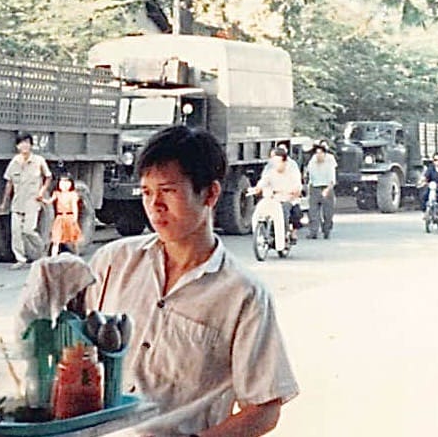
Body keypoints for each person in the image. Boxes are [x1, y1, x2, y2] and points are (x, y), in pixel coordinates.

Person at [86, 126, 298, 437]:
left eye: (168, 191)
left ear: (210, 194)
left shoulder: (243, 295)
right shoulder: (113, 262)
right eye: (147, 192)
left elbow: (264, 408)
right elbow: (70, 347)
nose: (155, 205)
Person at [0, 132, 52, 269]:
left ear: (31, 145)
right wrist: (4, 202)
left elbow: (48, 177)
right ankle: (20, 259)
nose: (25, 146)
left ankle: (42, 252)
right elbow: (9, 183)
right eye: (22, 143)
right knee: (16, 232)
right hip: (17, 203)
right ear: (17, 146)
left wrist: (42, 192)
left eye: (27, 143)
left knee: (29, 230)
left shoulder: (39, 161)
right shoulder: (14, 162)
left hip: (32, 202)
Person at [250, 146, 303, 243]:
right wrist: (257, 188)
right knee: (261, 209)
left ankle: (285, 234)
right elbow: (264, 181)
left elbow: (298, 186)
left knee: (284, 211)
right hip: (273, 198)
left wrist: (294, 191)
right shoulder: (271, 171)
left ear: (284, 161)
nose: (276, 165)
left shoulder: (292, 170)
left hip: (288, 199)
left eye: (278, 162)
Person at [304, 140, 337, 239]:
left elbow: (332, 179)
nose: (319, 155)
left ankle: (327, 230)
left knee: (328, 212)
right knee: (313, 212)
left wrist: (327, 190)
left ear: (324, 154)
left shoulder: (329, 162)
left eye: (321, 153)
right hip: (314, 187)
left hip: (326, 187)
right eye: (317, 153)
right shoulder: (312, 161)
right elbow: (308, 175)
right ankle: (313, 232)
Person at [48, 174, 82, 256]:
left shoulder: (73, 194)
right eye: (62, 182)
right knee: (56, 238)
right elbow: (50, 201)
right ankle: (54, 257)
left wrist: (75, 218)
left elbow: (74, 207)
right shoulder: (56, 193)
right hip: (60, 218)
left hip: (69, 217)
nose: (64, 185)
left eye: (67, 182)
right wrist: (41, 199)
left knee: (73, 238)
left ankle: (76, 254)